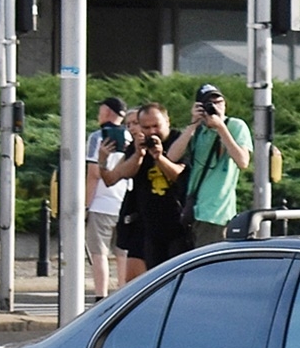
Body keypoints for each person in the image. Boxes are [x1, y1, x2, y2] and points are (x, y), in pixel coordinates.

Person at [105, 103, 190, 278]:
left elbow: (180, 175)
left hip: (178, 225)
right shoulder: (139, 144)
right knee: (154, 279)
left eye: (156, 126)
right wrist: (138, 153)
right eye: (146, 127)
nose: (152, 132)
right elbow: (122, 174)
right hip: (150, 225)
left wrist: (159, 157)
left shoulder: (179, 141)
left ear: (167, 121)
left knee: (177, 277)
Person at [169, 84, 253, 245]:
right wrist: (192, 125)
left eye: (218, 102)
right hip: (195, 210)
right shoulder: (197, 130)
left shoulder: (235, 126)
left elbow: (243, 161)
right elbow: (172, 156)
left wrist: (221, 127)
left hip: (217, 212)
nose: (214, 107)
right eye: (209, 104)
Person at [85, 96, 130, 298]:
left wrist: (86, 205)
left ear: (107, 112)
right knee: (123, 254)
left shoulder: (97, 137)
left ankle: (100, 296)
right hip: (125, 202)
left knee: (99, 253)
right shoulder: (130, 136)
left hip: (101, 203)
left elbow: (94, 174)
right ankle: (124, 294)